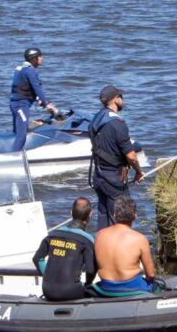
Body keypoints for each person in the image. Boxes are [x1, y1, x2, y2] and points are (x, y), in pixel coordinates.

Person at [89, 84, 144, 231]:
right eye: (121, 97)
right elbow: (131, 156)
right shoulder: (117, 124)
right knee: (121, 220)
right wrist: (138, 171)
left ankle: (100, 250)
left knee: (103, 216)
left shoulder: (96, 119)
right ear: (115, 99)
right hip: (114, 179)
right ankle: (118, 252)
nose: (122, 100)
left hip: (98, 176)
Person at [32, 197, 96, 301]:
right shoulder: (87, 240)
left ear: (71, 213)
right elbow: (90, 270)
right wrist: (87, 285)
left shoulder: (52, 235)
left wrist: (47, 276)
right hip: (71, 291)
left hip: (47, 289)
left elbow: (37, 258)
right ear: (90, 215)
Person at [93, 198, 157, 295]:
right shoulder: (140, 238)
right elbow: (151, 274)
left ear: (114, 215)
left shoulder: (99, 235)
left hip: (106, 287)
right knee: (157, 286)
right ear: (135, 216)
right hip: (131, 287)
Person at [10, 47, 56, 152]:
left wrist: (38, 100)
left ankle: (12, 150)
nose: (42, 58)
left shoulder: (21, 68)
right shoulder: (31, 71)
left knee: (16, 132)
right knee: (22, 135)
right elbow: (37, 88)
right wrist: (46, 104)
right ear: (34, 58)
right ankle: (13, 157)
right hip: (21, 105)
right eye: (40, 56)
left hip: (16, 104)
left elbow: (25, 86)